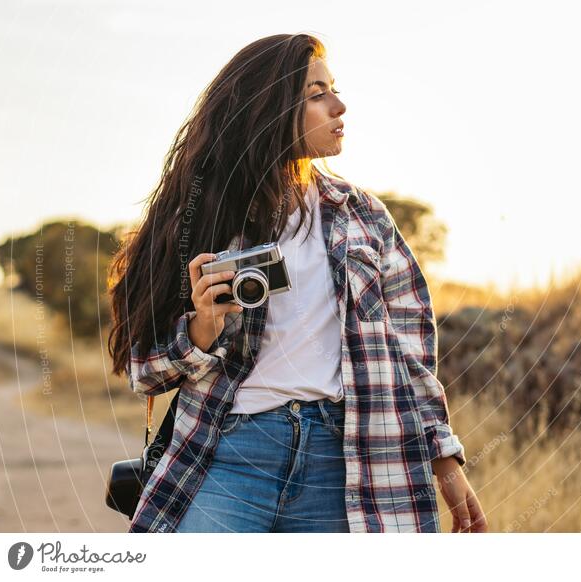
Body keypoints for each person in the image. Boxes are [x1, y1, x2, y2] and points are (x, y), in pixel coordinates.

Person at [108, 33, 487, 533]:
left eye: (334, 89)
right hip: (228, 459)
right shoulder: (198, 217)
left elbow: (410, 354)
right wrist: (201, 330)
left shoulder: (364, 217)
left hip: (343, 465)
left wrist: (444, 460)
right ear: (270, 109)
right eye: (317, 94)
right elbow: (142, 369)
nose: (339, 104)